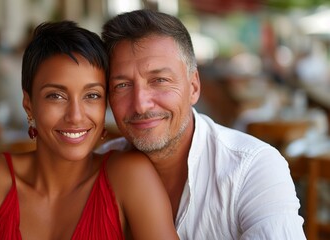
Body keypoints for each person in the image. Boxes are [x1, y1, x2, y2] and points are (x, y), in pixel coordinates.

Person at [0, 21, 179, 240]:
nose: (75, 116)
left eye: (92, 95)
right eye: (56, 96)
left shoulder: (129, 176)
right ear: (29, 105)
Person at [100, 9, 306, 239]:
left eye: (159, 81)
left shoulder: (251, 168)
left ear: (194, 87)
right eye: (122, 86)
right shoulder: (96, 168)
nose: (140, 104)